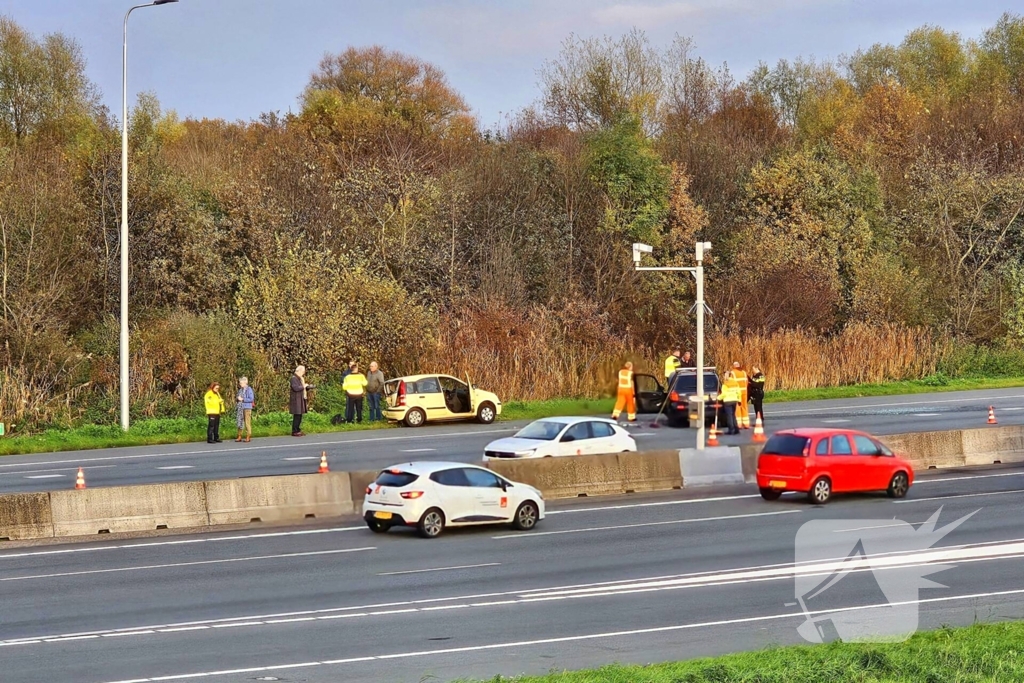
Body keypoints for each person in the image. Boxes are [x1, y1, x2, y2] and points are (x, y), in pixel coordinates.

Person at [290, 366, 315, 437]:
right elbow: (295, 388)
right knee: (297, 415)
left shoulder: (300, 379)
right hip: (296, 399)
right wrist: (304, 386)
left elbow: (301, 388)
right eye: (303, 371)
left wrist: (307, 387)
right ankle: (294, 431)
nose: (303, 373)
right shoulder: (294, 378)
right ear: (299, 371)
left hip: (300, 399)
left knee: (300, 415)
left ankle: (298, 430)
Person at [726, 361, 750, 429]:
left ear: (734, 366)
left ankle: (739, 424)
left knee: (737, 408)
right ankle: (746, 423)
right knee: (744, 407)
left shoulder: (733, 373)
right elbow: (747, 382)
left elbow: (731, 383)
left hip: (737, 393)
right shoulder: (744, 372)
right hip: (744, 392)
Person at [235, 376, 255, 443]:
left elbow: (251, 399)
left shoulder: (249, 389)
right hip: (240, 408)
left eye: (241, 383)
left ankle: (248, 436)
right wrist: (237, 399)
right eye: (240, 383)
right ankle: (239, 435)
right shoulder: (240, 390)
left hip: (247, 408)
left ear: (245, 382)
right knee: (240, 421)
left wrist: (243, 399)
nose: (240, 384)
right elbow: (238, 397)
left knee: (247, 422)